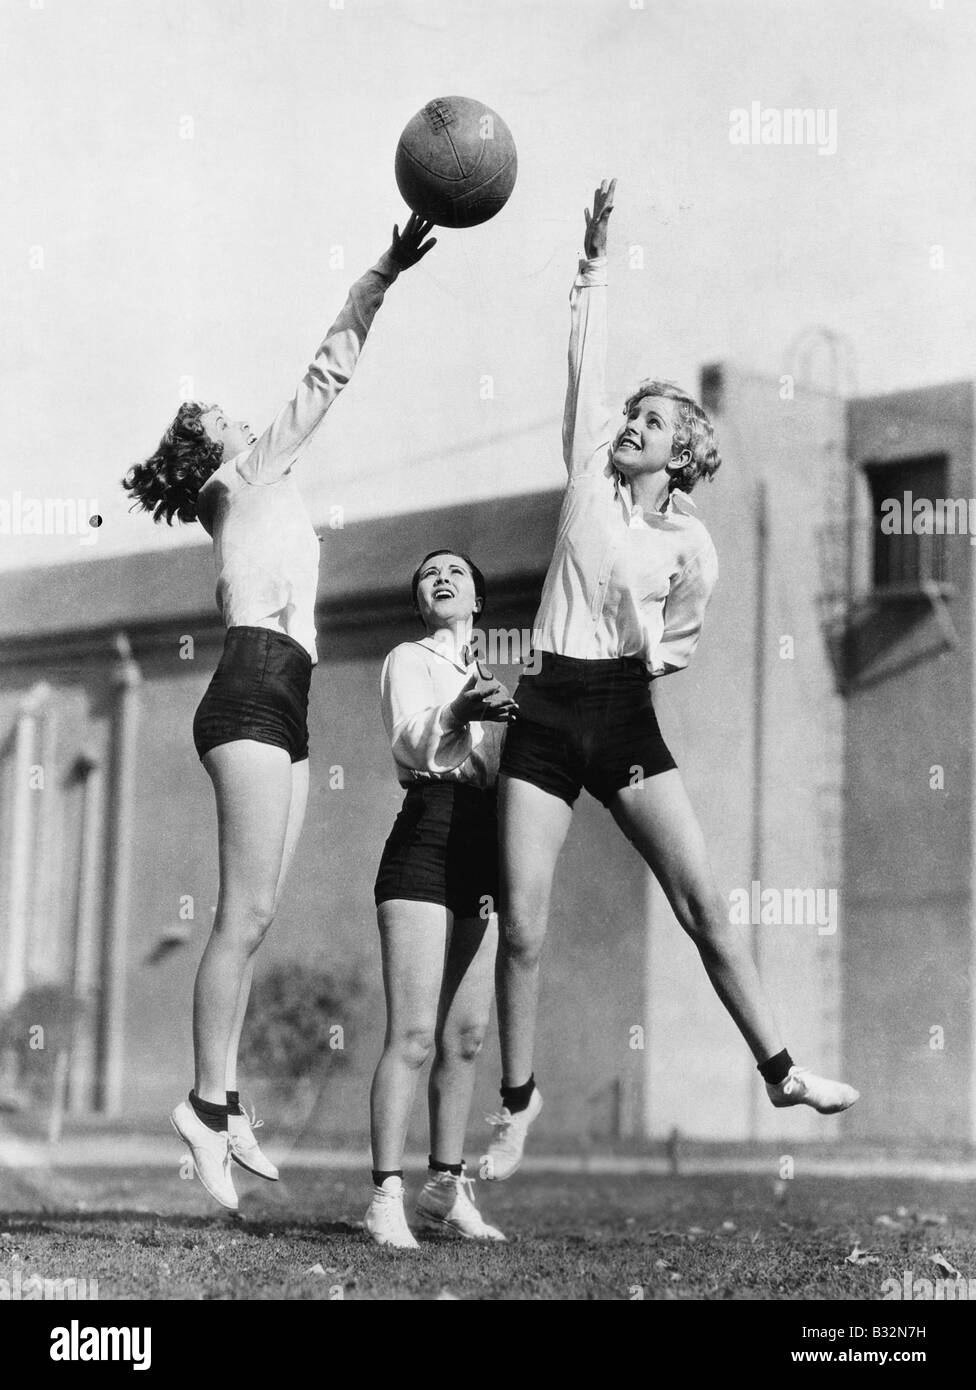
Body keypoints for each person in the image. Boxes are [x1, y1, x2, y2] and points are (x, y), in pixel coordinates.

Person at [481, 180, 858, 1181]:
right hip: (549, 707)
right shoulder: (583, 487)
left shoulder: (691, 543)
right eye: (631, 415)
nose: (632, 425)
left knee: (707, 909)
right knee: (521, 921)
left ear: (685, 450)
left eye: (652, 419)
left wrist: (645, 657)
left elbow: (679, 638)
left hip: (624, 718)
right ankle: (518, 1103)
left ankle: (780, 1070)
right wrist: (592, 262)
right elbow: (583, 365)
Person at [122, 215, 436, 1211]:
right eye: (222, 411)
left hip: (285, 692)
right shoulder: (242, 475)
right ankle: (205, 1107)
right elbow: (326, 372)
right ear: (206, 445)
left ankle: (224, 1098)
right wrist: (382, 271)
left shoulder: (255, 483)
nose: (244, 415)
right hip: (253, 685)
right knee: (241, 913)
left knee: (256, 919)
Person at [365, 550, 516, 1247]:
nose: (443, 578)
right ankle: (385, 1196)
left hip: (483, 846)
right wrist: (461, 708)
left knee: (466, 1036)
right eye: (428, 574)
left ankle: (447, 1191)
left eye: (457, 572)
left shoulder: (494, 680)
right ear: (422, 601)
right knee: (416, 1035)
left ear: (478, 600)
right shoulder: (408, 659)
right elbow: (415, 744)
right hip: (425, 838)